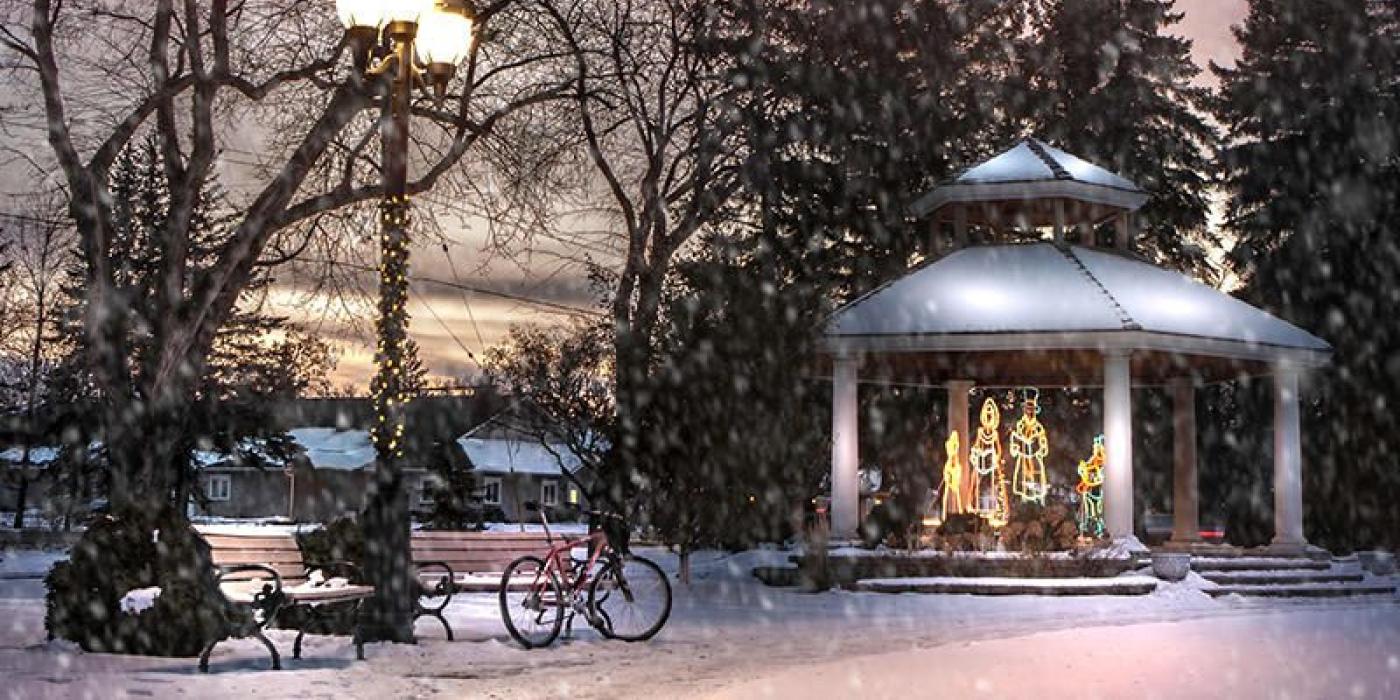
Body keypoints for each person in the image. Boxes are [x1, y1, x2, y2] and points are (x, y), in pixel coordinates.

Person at [1010, 389, 1049, 505]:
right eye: (1028, 409)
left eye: (1032, 409)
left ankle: (1038, 503)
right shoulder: (1019, 426)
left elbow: (1043, 442)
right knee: (1023, 485)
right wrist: (1016, 447)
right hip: (1023, 459)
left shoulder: (1038, 427)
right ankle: (1024, 503)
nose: (1030, 412)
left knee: (1037, 484)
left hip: (1035, 459)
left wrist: (1041, 448)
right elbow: (1014, 441)